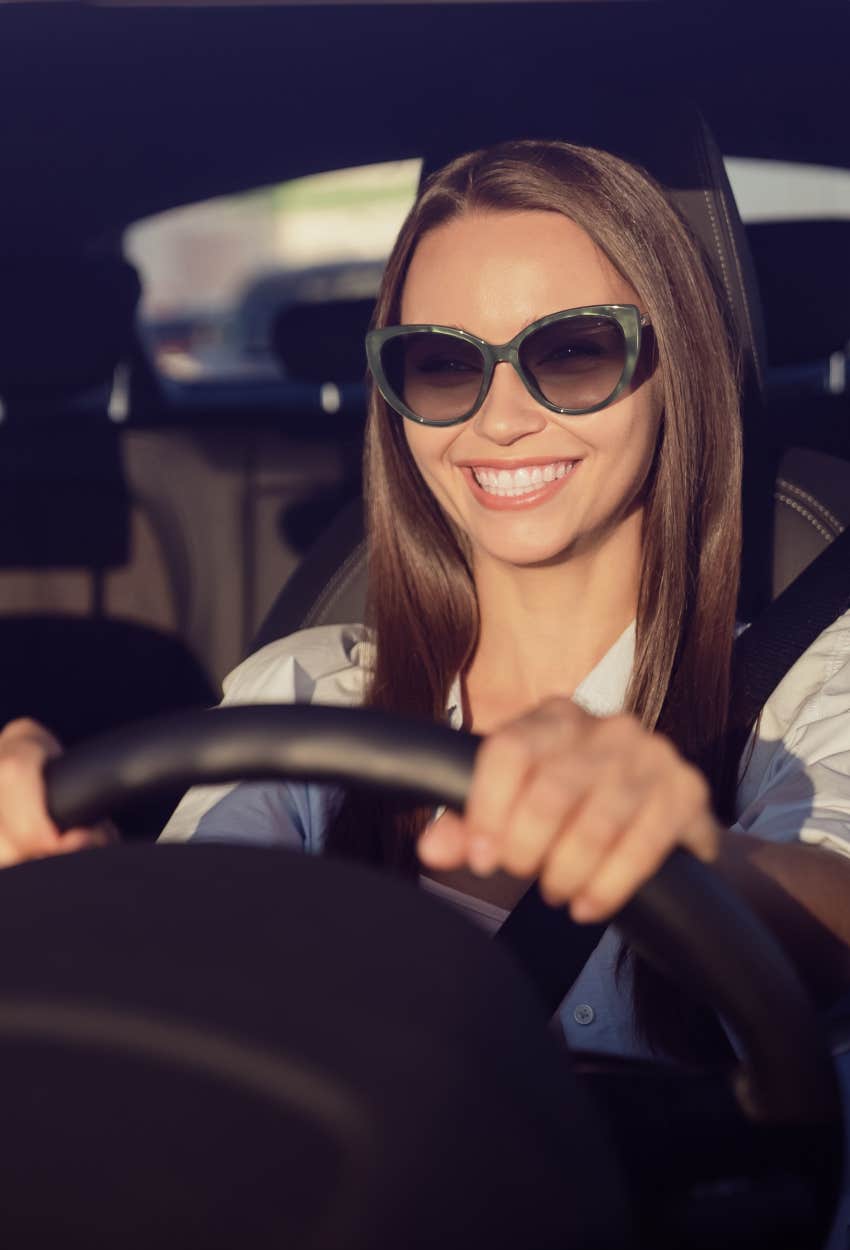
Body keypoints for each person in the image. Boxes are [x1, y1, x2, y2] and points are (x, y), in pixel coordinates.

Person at [1, 140, 849, 1061]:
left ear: (674, 367)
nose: (500, 414)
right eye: (441, 363)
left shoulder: (804, 684)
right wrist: (69, 883)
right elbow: (191, 962)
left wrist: (686, 865)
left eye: (572, 352)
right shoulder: (303, 698)